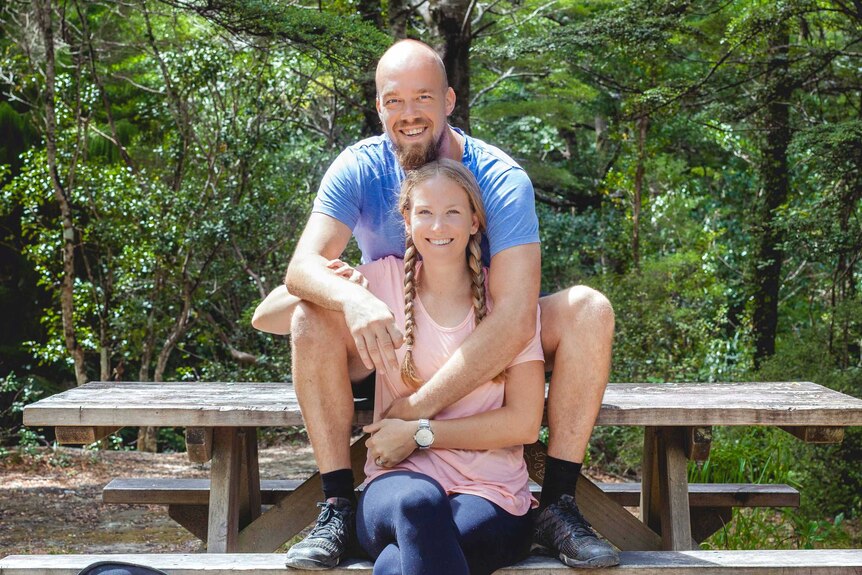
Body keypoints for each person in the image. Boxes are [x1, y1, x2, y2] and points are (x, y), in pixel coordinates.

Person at [252, 39, 618, 570]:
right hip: (395, 332)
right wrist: (353, 298)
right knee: (312, 312)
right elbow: (300, 272)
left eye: (422, 97)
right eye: (393, 100)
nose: (408, 114)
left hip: (487, 328)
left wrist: (413, 417)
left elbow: (516, 318)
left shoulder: (498, 178)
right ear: (378, 107)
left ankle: (558, 503)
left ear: (448, 101)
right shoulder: (358, 168)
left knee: (589, 309)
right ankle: (335, 506)